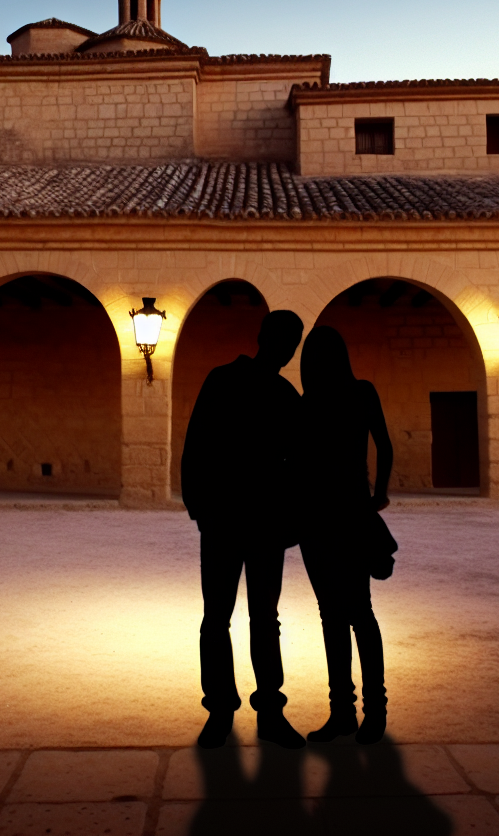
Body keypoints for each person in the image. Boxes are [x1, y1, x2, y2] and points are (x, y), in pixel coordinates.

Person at [181, 308, 307, 750]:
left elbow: (300, 465)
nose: (287, 349)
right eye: (284, 339)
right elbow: (196, 445)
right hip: (228, 519)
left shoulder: (277, 393)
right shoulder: (234, 383)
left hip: (259, 522)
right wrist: (200, 509)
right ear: (264, 337)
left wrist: (290, 522)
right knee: (224, 617)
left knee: (255, 618)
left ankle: (260, 710)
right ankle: (227, 708)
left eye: (293, 342)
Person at [297, 325, 393, 745]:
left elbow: (294, 464)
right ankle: (373, 712)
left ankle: (344, 712)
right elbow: (385, 447)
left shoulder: (307, 404)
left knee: (333, 617)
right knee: (360, 614)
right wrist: (379, 496)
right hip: (352, 512)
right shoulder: (363, 392)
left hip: (316, 519)